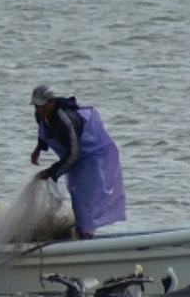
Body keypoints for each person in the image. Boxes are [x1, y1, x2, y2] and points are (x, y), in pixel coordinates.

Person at [29, 84, 126, 239]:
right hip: (75, 158)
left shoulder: (65, 120)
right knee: (75, 194)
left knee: (85, 199)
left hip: (92, 157)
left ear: (52, 102)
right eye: (35, 106)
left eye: (41, 106)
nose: (38, 110)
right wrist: (38, 149)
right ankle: (83, 234)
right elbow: (44, 132)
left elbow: (74, 153)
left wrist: (52, 172)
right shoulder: (41, 114)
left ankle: (86, 237)